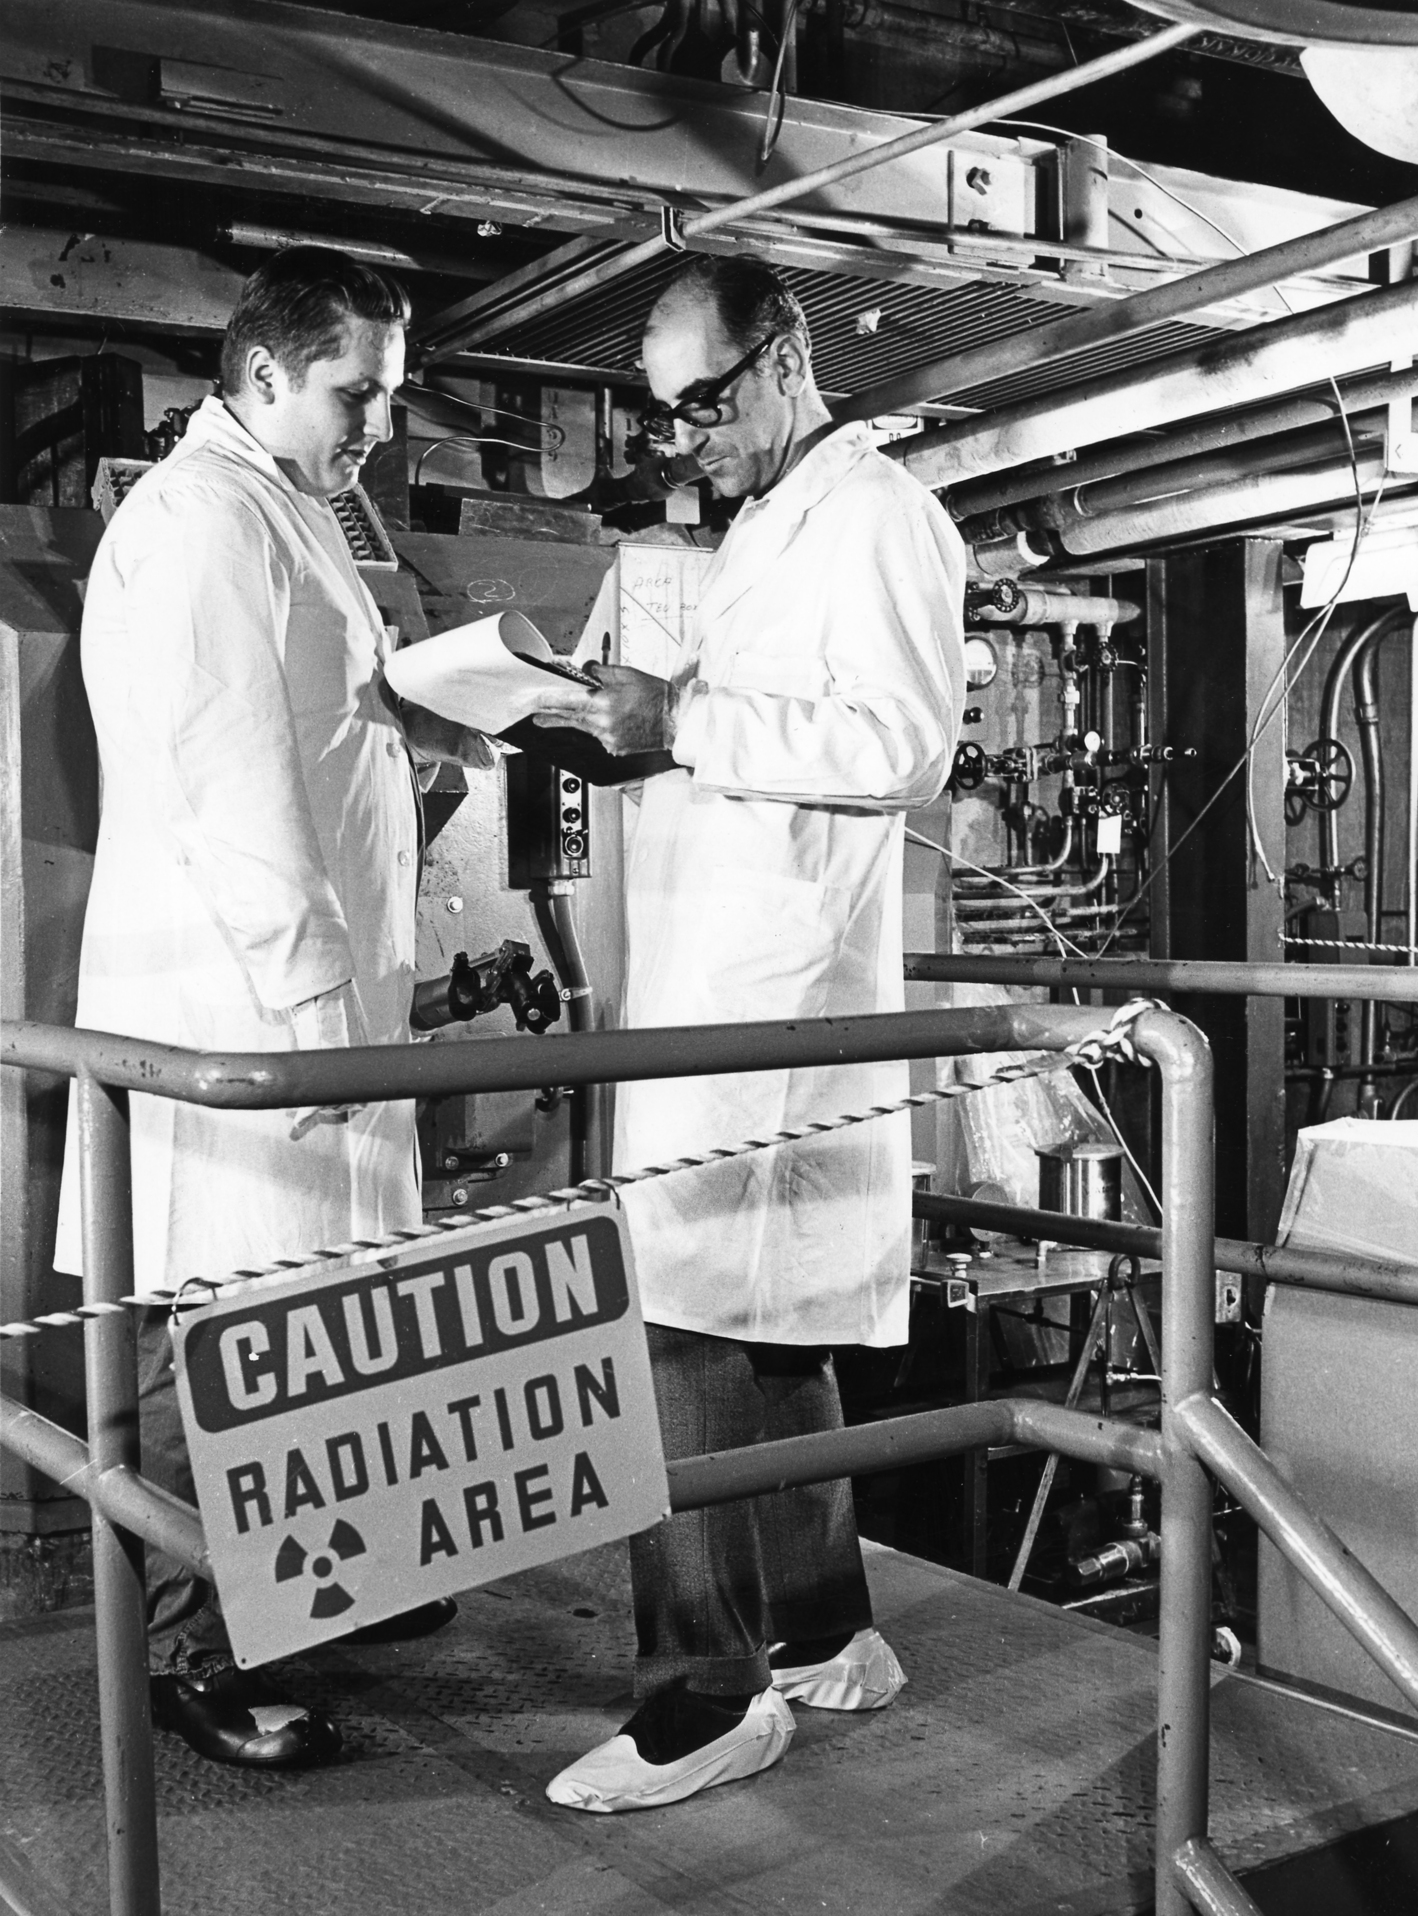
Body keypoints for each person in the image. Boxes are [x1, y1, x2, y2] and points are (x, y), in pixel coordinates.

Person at [533, 254, 965, 1812]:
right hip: (730, 980)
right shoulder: (774, 527)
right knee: (766, 1327)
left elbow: (906, 745)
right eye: (666, 417)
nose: (688, 441)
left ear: (784, 355)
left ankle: (704, 1697)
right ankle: (829, 1631)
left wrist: (685, 721)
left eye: (703, 404)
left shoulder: (877, 515)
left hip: (773, 999)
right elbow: (771, 739)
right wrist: (644, 731)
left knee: (685, 1320)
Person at [54, 246, 490, 1767]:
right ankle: (198, 1655)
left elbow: (308, 731)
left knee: (301, 1315)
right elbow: (233, 787)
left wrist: (419, 728)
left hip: (311, 1004)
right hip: (239, 1010)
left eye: (390, 391)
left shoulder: (288, 508)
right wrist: (314, 1015)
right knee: (221, 1324)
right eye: (355, 392)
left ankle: (321, 1587)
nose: (380, 421)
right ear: (259, 374)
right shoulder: (201, 523)